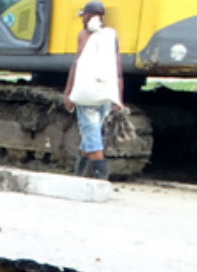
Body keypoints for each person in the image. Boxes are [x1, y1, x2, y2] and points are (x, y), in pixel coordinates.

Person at [63, 0, 123, 180]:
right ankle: (79, 174)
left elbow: (76, 65)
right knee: (90, 131)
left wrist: (68, 92)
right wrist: (118, 95)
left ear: (88, 16)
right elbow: (117, 66)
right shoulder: (111, 36)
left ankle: (100, 179)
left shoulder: (83, 35)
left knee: (91, 133)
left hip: (86, 93)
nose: (82, 20)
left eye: (84, 16)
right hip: (105, 92)